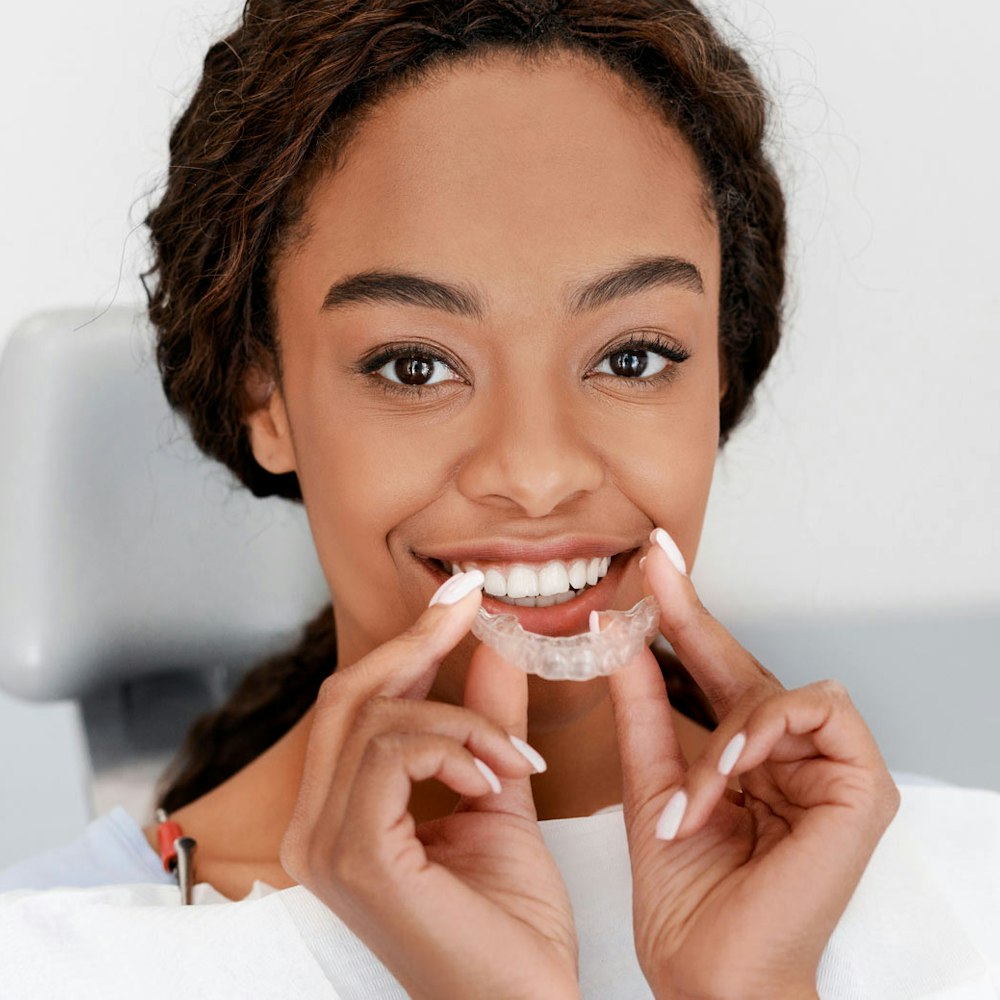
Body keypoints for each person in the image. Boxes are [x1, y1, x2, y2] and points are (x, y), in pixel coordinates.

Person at [1, 2, 997, 998]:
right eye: (413, 365)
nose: (535, 471)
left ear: (720, 377)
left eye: (632, 356)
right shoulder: (54, 959)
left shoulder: (971, 893)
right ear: (267, 395)